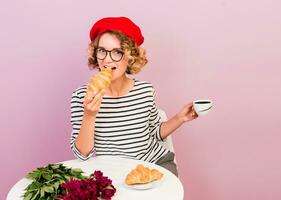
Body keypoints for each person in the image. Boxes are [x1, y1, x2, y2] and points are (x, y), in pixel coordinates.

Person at [70, 17, 198, 176]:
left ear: (130, 57)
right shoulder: (82, 96)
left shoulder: (145, 91)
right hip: (114, 174)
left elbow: (154, 133)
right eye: (102, 50)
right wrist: (89, 116)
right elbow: (82, 154)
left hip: (155, 164)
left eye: (117, 52)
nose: (107, 59)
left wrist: (180, 118)